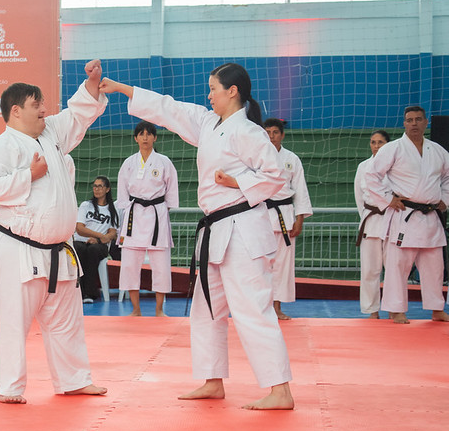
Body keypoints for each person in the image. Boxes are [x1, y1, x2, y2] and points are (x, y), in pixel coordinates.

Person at [100, 63, 295, 410]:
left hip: (243, 229)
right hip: (215, 229)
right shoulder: (209, 123)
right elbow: (168, 109)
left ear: (232, 91)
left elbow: (276, 175)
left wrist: (235, 182)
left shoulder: (248, 132)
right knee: (206, 309)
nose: (208, 95)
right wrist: (123, 89)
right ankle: (212, 380)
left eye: (213, 88)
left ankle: (280, 390)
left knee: (252, 309)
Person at [0, 59, 109, 404]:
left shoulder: (50, 132)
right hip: (18, 251)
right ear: (17, 111)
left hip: (58, 251)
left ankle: (74, 379)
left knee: (67, 321)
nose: (44, 111)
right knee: (13, 323)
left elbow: (77, 114)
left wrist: (92, 85)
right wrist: (28, 176)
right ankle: (9, 387)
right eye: (37, 105)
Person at [365, 106, 449, 324]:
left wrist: (445, 199)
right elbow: (372, 175)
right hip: (404, 215)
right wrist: (387, 199)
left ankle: (436, 308)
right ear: (404, 123)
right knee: (397, 266)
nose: (414, 123)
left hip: (430, 216)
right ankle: (396, 309)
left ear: (425, 122)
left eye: (418, 119)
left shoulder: (438, 151)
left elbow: (448, 178)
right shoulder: (393, 149)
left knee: (434, 267)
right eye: (409, 120)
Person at [116, 121, 179, 316]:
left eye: (148, 134)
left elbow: (171, 192)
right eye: (141, 134)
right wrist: (129, 209)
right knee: (129, 263)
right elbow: (122, 194)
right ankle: (136, 309)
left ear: (155, 137)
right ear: (135, 138)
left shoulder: (164, 162)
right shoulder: (128, 163)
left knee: (160, 264)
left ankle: (159, 309)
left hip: (156, 214)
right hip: (134, 215)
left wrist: (162, 209)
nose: (145, 137)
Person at [263, 118, 313, 321]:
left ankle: (277, 307)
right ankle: (261, 308)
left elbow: (300, 191)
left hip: (285, 215)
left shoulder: (292, 158)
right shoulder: (255, 157)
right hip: (262, 215)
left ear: (282, 135)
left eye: (275, 132)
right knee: (261, 265)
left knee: (283, 266)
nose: (271, 136)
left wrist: (300, 219)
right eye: (267, 132)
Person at [354, 129, 391, 319]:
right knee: (369, 270)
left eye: (380, 143)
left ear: (388, 145)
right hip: (370, 221)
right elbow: (359, 198)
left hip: (391, 222)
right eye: (373, 142)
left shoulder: (396, 167)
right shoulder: (363, 166)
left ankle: (394, 309)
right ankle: (372, 310)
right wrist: (367, 215)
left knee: (393, 270)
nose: (376, 146)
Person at [73, 176, 119, 303]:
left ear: (107, 189)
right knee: (79, 249)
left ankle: (89, 293)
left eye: (100, 186)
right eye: (94, 186)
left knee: (93, 251)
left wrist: (98, 240)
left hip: (99, 245)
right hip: (81, 241)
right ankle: (78, 292)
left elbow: (112, 233)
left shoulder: (112, 210)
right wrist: (99, 235)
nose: (96, 189)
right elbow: (80, 228)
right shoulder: (86, 205)